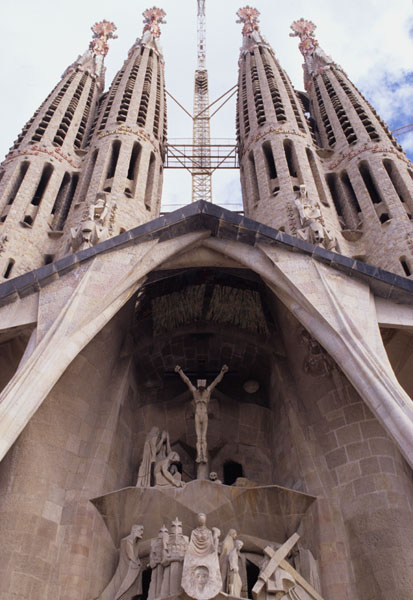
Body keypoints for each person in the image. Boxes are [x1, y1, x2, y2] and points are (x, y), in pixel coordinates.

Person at [175, 365, 229, 463]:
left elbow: (216, 381)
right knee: (198, 437)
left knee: (203, 438)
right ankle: (199, 456)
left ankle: (204, 456)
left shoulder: (207, 391)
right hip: (197, 415)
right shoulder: (194, 391)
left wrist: (222, 372)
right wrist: (180, 371)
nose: (200, 386)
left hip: (204, 415)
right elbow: (186, 381)